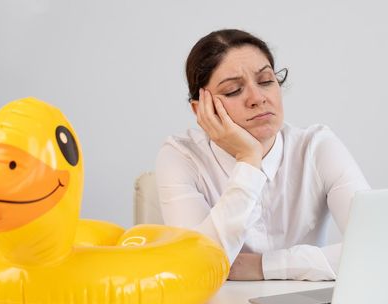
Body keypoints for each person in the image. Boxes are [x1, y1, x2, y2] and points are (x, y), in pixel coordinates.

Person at [155, 29, 370, 281]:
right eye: (234, 90)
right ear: (201, 109)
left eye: (266, 80)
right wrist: (248, 159)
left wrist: (263, 266)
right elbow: (195, 266)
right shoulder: (180, 157)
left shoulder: (317, 147)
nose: (257, 98)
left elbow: (378, 249)